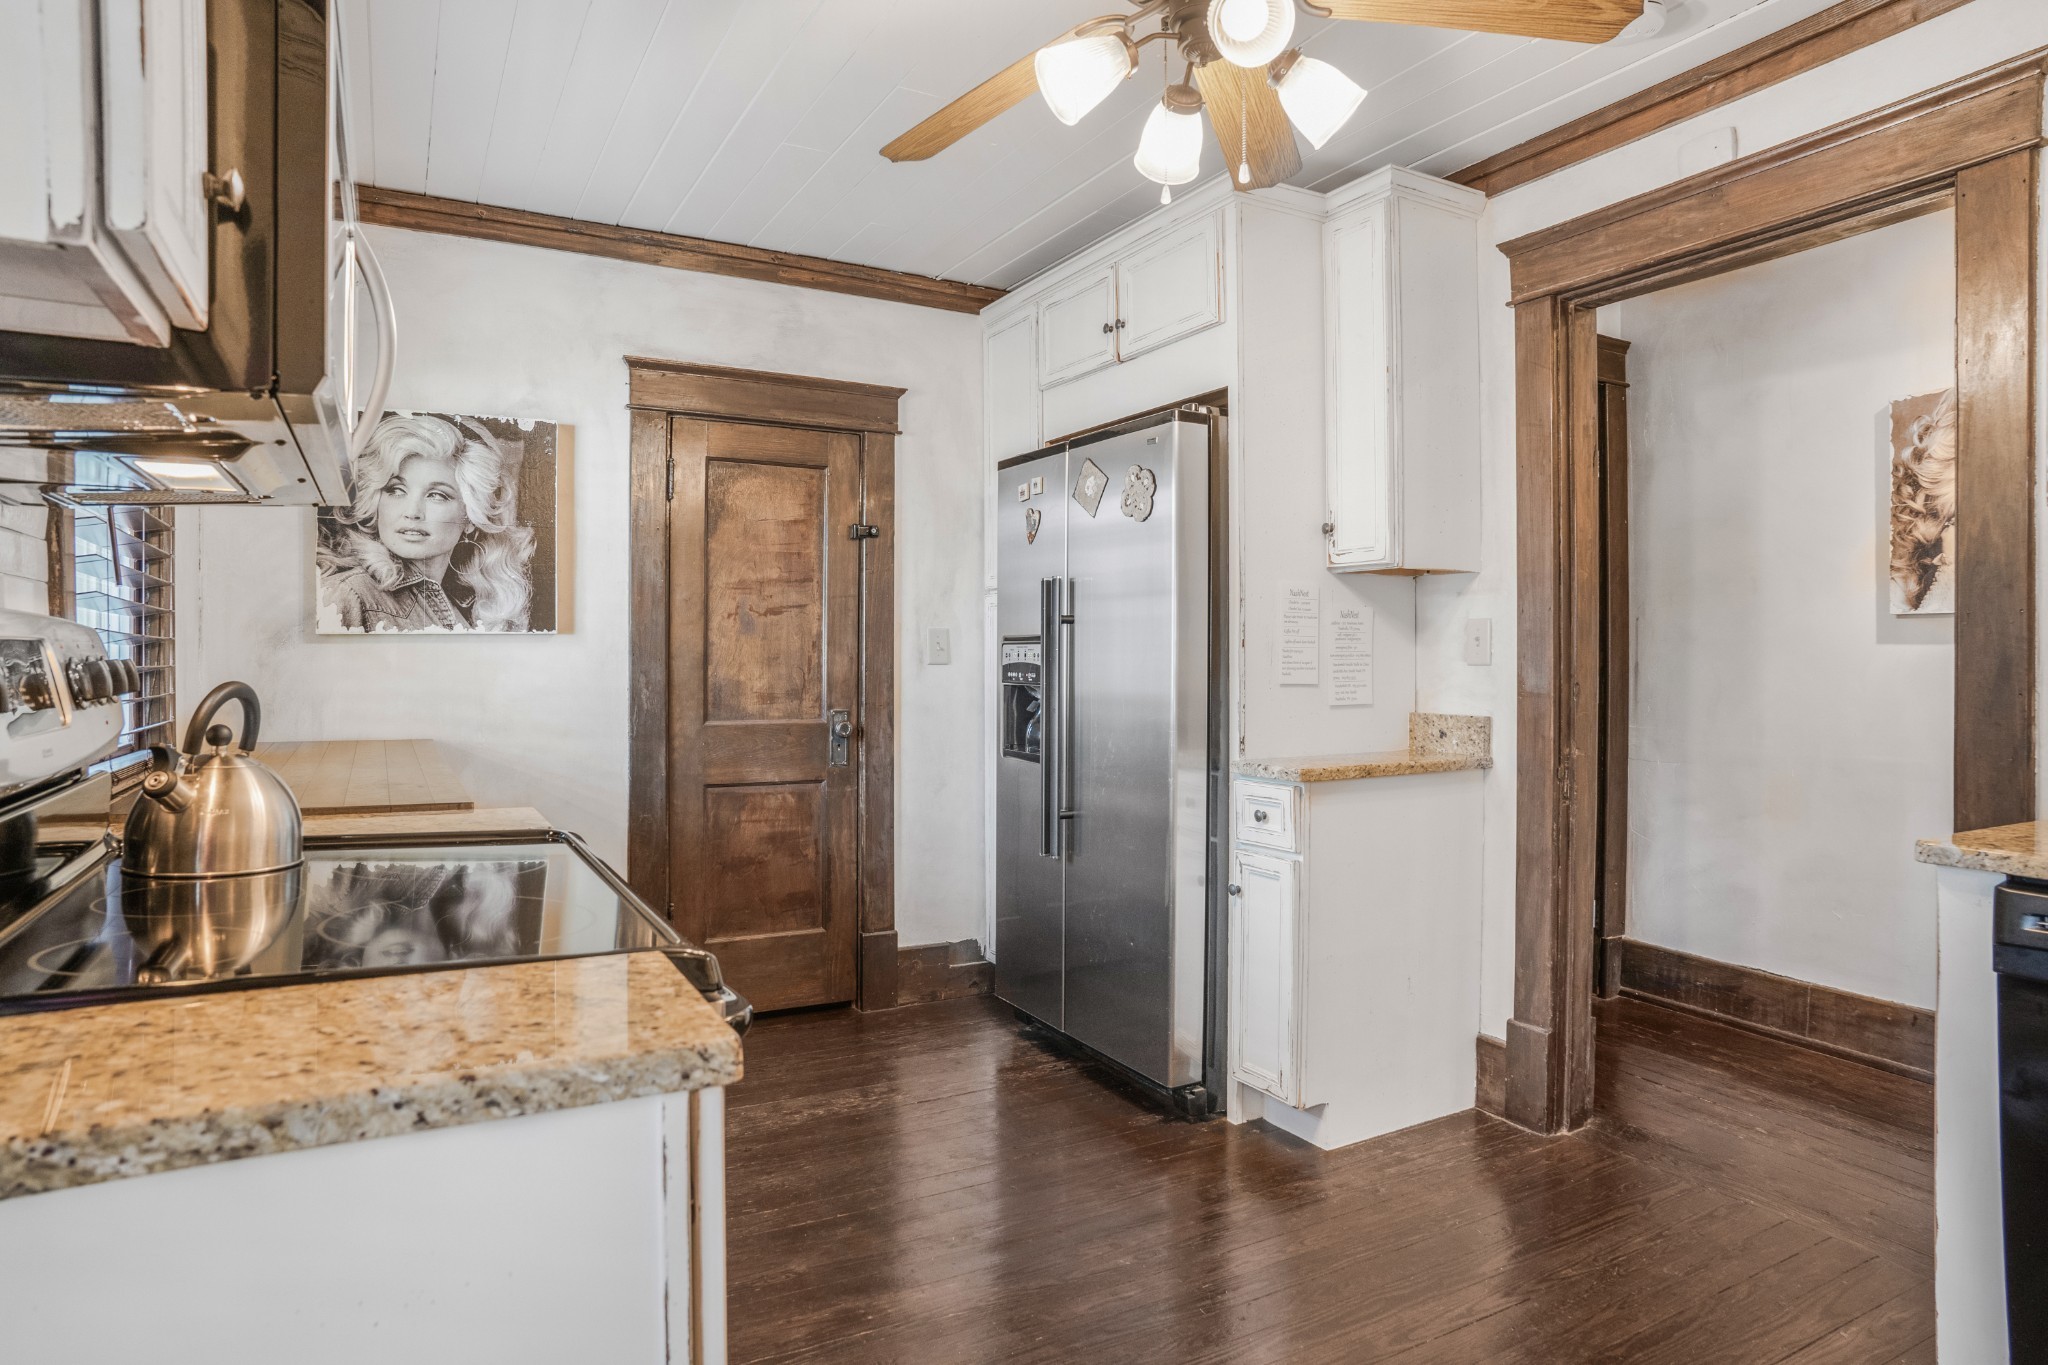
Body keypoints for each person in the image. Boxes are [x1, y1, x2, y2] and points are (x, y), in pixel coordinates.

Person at [317, 413, 535, 631]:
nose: (412, 512)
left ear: (470, 517)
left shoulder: (467, 607)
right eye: (396, 490)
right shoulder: (348, 594)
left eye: (437, 495)